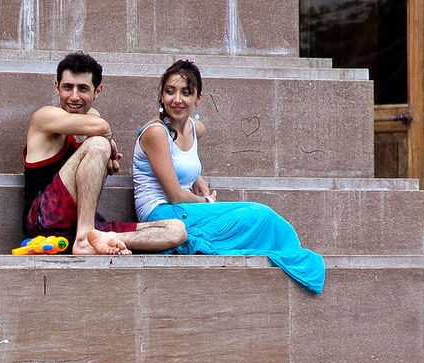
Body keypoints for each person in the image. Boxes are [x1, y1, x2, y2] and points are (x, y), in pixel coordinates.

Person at [132, 59, 325, 293]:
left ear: (198, 98)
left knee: (265, 218)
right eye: (170, 92)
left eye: (186, 93)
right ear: (162, 96)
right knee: (259, 215)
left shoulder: (195, 128)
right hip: (161, 212)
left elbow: (181, 160)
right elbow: (173, 195)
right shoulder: (155, 132)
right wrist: (207, 201)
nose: (177, 100)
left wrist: (197, 178)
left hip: (185, 209)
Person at [23, 51, 187, 255]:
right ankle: (84, 240)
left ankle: (105, 240)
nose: (74, 96)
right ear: (57, 87)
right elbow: (101, 128)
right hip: (44, 219)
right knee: (99, 143)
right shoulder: (44, 117)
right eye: (67, 87)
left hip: (81, 227)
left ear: (97, 91)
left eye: (83, 89)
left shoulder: (90, 121)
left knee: (177, 230)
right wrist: (107, 144)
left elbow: (97, 123)